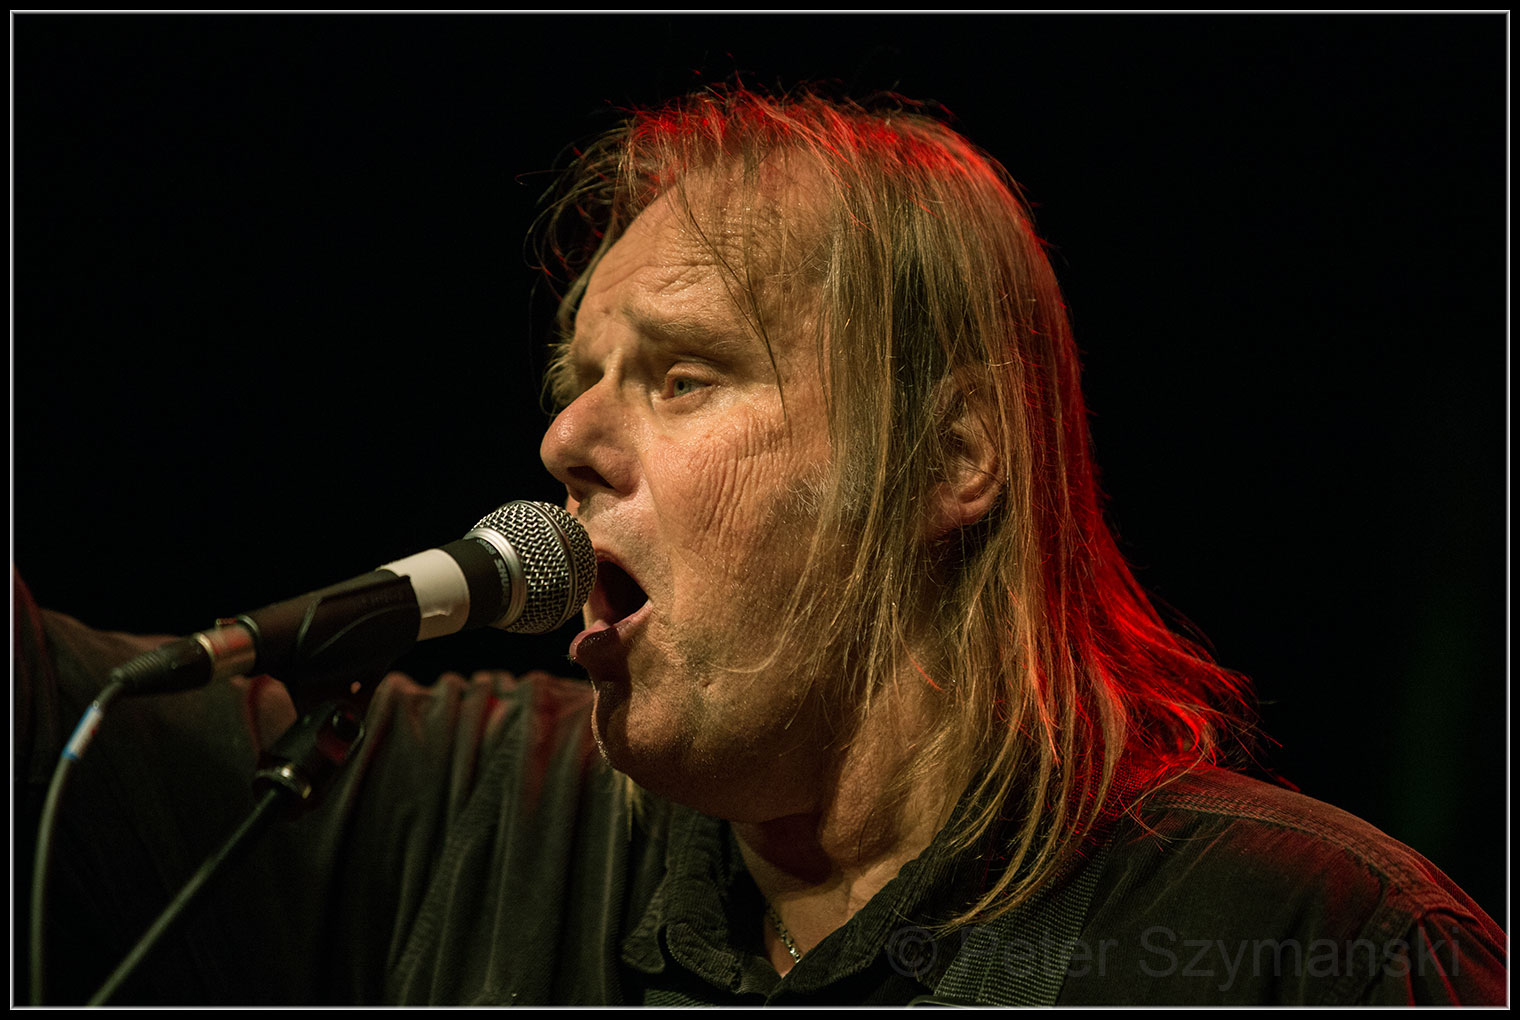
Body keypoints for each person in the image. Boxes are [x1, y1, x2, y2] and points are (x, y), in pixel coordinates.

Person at [16, 87, 1506, 1006]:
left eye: (682, 377)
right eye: (575, 382)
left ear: (953, 458)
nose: (566, 441)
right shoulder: (470, 817)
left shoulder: (1308, 947)